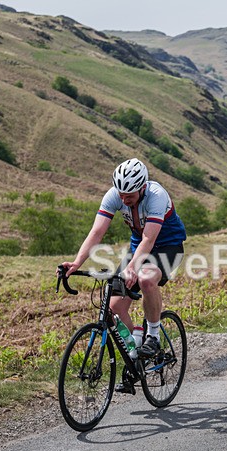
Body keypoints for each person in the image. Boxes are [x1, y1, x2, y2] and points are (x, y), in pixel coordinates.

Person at [61, 158, 186, 394]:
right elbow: (97, 231)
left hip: (168, 247)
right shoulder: (114, 195)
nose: (123, 199)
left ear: (142, 187)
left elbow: (150, 239)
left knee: (147, 278)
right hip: (138, 249)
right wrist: (77, 262)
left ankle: (154, 336)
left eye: (129, 195)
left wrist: (133, 268)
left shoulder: (157, 196)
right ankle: (136, 352)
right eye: (121, 193)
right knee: (115, 307)